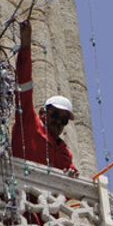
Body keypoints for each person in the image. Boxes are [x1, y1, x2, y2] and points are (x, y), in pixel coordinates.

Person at [11, 20, 79, 177]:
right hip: (21, 192)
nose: (58, 122)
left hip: (47, 200)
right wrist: (26, 46)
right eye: (55, 115)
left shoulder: (64, 154)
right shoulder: (29, 123)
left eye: (63, 120)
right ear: (43, 112)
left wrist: (72, 176)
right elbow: (23, 86)